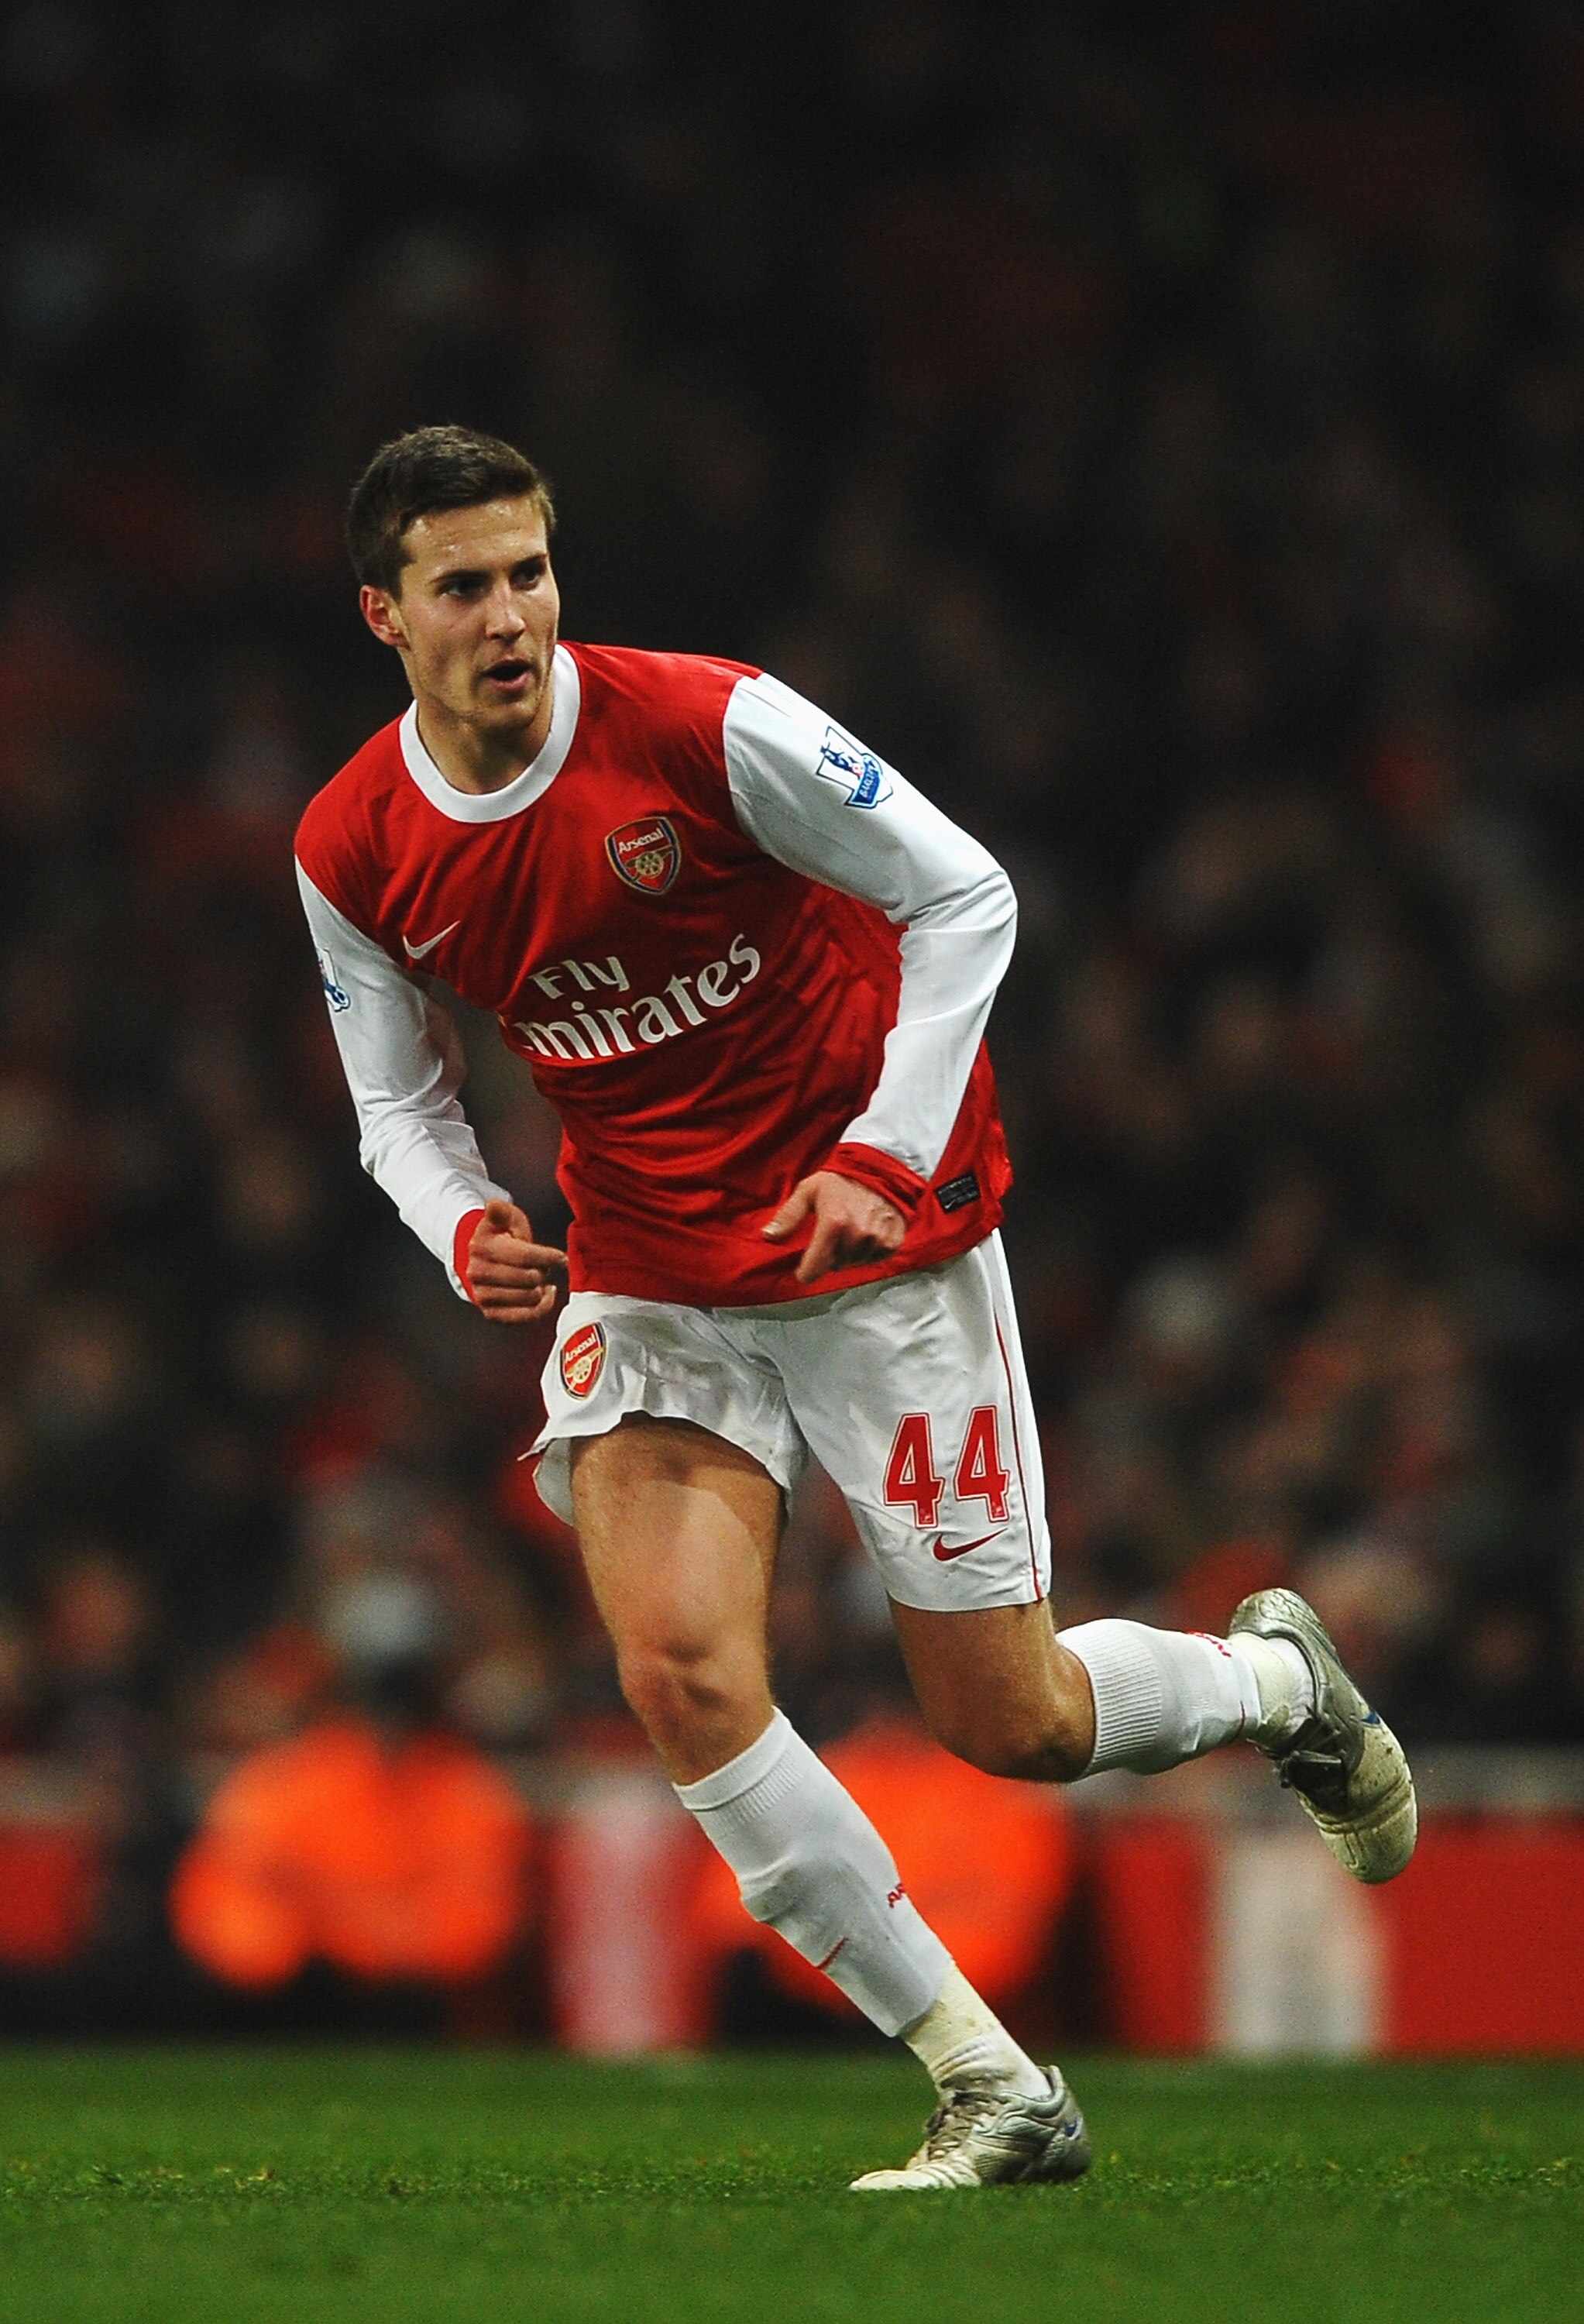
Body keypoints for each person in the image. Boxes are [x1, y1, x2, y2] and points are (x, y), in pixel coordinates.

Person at [294, 425, 1416, 2191]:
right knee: (675, 1671)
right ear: (385, 613)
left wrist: (886, 1158)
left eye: (530, 571)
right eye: (463, 585)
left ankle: (1275, 1680)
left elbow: (967, 893)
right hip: (649, 1268)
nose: (510, 614)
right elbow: (395, 1106)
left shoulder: (706, 723)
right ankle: (988, 2079)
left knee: (1011, 1724)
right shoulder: (354, 841)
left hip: (872, 1250)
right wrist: (458, 1224)